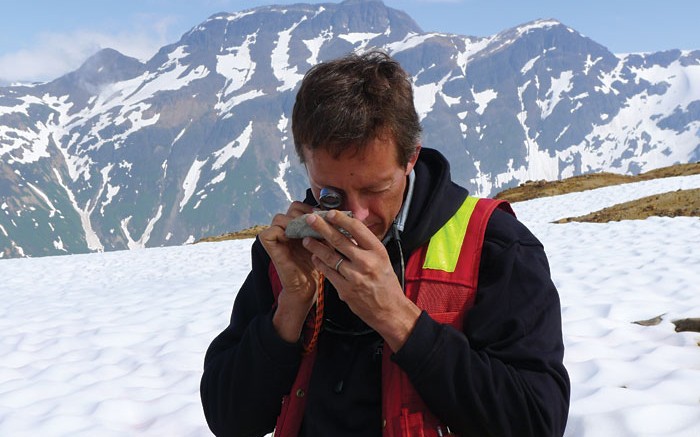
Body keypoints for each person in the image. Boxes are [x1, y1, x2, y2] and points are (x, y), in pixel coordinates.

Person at [200, 50, 570, 437]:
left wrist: (397, 318)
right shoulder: (286, 253)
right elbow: (231, 420)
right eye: (330, 191)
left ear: (411, 157)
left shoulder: (494, 245)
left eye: (376, 189)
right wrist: (290, 308)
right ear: (305, 163)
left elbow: (536, 420)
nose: (356, 215)